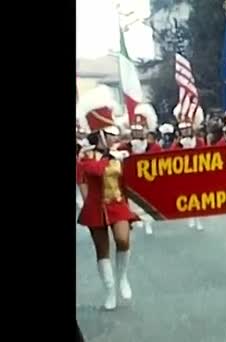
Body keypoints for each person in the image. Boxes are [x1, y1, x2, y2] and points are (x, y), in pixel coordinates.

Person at [76, 85, 138, 310]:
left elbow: (130, 180)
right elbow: (94, 171)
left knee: (123, 240)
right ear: (100, 135)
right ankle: (110, 291)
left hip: (118, 203)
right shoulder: (86, 155)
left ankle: (122, 279)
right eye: (110, 134)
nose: (114, 138)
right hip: (95, 207)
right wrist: (109, 157)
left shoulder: (120, 154)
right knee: (102, 250)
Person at [119, 104, 162, 235]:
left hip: (149, 179)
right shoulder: (123, 147)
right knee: (133, 202)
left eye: (140, 130)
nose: (137, 133)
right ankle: (136, 219)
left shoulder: (154, 147)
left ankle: (148, 221)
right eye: (135, 131)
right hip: (131, 182)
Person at [171, 103, 206, 231]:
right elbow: (170, 158)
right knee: (188, 196)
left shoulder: (199, 141)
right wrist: (180, 148)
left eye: (187, 128)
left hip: (197, 172)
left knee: (198, 196)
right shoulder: (178, 144)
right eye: (183, 129)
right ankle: (191, 216)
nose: (185, 131)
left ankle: (199, 219)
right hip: (184, 173)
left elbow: (206, 155)